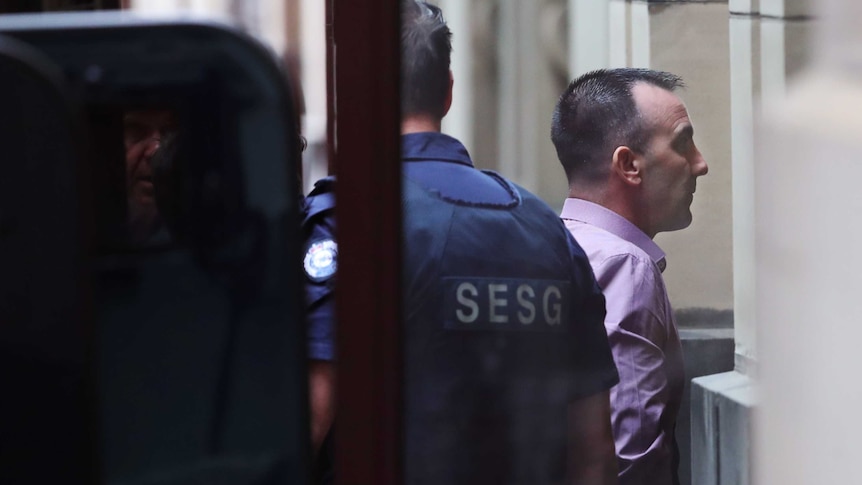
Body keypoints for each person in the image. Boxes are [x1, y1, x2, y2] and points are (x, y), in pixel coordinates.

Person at [398, 2, 618, 483]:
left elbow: (314, 416)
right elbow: (595, 451)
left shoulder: (353, 221)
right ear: (448, 93)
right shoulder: (544, 227)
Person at [550, 68, 709, 485]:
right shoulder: (626, 265)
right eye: (682, 142)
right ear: (629, 164)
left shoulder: (554, 245)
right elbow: (629, 453)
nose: (700, 164)